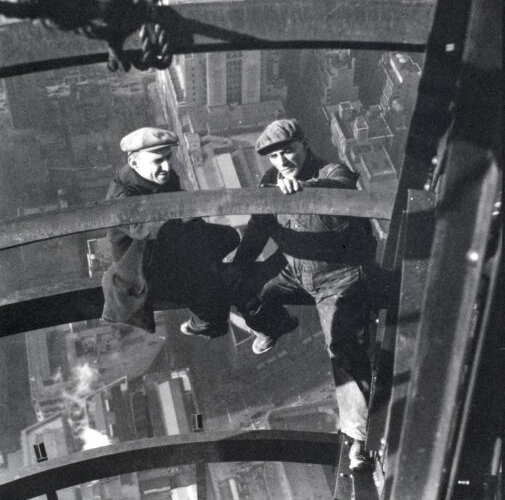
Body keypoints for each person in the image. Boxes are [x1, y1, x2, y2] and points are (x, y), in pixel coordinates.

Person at [233, 118, 377, 471]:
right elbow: (257, 229)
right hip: (292, 268)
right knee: (241, 289)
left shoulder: (332, 171)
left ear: (304, 145)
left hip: (339, 276)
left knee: (342, 349)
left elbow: (340, 186)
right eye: (275, 157)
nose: (283, 162)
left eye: (288, 152)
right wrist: (238, 268)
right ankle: (273, 325)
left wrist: (306, 188)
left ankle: (358, 438)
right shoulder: (271, 183)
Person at [101, 126, 241, 337]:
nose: (166, 167)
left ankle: (209, 308)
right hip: (143, 264)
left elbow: (177, 201)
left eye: (168, 158)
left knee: (229, 237)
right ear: (134, 162)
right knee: (204, 276)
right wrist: (188, 216)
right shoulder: (122, 196)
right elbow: (145, 229)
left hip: (168, 242)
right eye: (158, 161)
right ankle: (204, 321)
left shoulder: (161, 176)